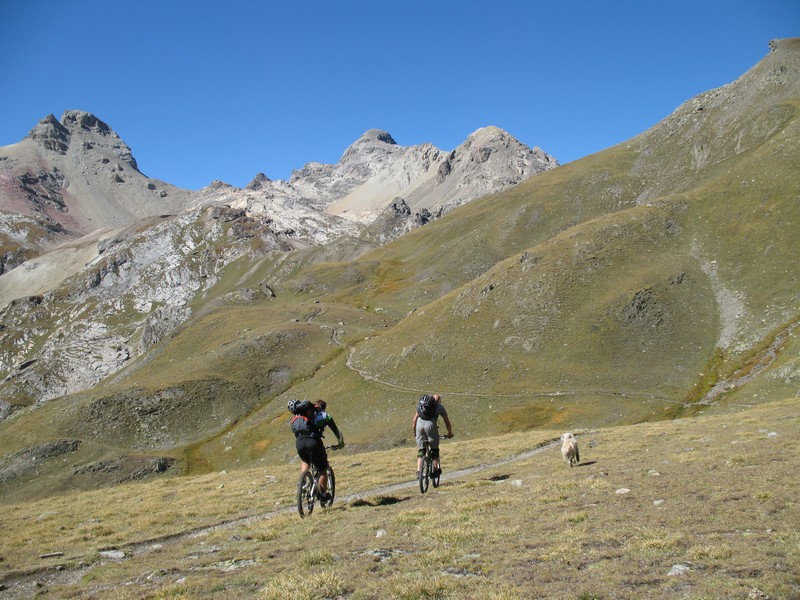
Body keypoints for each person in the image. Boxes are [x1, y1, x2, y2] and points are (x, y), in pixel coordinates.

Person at [289, 399, 344, 504]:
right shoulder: (324, 415)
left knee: (306, 461)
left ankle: (304, 483)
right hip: (313, 442)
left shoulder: (301, 415)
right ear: (323, 407)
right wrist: (341, 443)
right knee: (322, 468)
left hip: (300, 443)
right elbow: (336, 431)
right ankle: (323, 495)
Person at [412, 393, 453, 478]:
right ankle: (435, 471)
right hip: (431, 425)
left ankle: (419, 471)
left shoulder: (421, 405)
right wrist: (450, 433)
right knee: (435, 450)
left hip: (419, 425)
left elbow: (414, 420)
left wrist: (414, 432)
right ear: (439, 401)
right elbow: (446, 422)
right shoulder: (440, 407)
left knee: (421, 450)